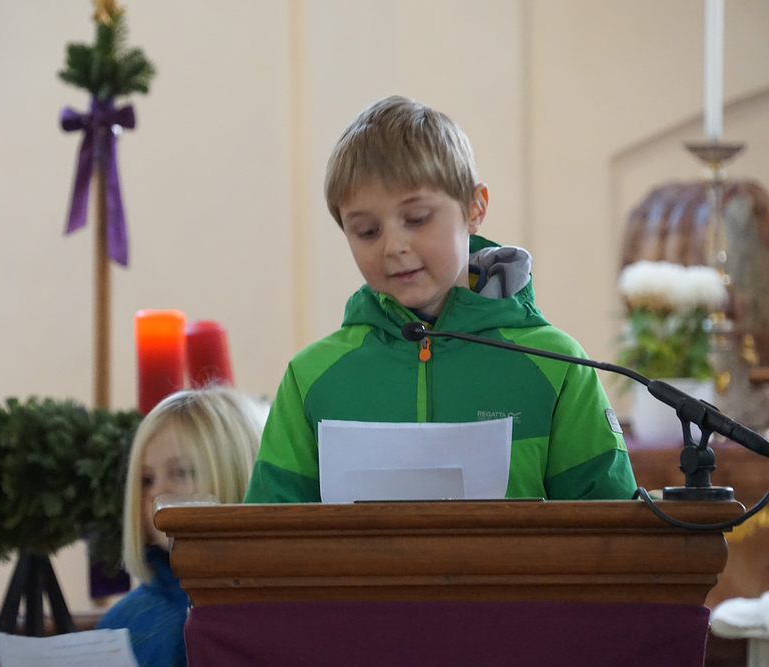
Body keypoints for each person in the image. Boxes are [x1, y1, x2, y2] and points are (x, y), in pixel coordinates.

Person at [245, 95, 637, 504]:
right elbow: (266, 532)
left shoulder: (557, 366)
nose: (394, 246)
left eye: (416, 219)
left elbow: (611, 527)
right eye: (367, 231)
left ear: (474, 208)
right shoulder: (311, 378)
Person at [96, 386, 264, 667]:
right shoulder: (120, 625)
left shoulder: (271, 615)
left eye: (182, 472)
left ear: (238, 475)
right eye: (147, 479)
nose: (157, 492)